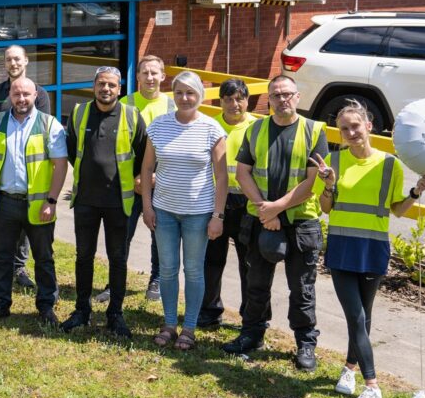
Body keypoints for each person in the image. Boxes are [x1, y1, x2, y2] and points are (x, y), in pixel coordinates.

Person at [314, 99, 425, 398]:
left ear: (369, 126)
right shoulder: (332, 162)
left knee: (363, 317)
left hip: (373, 248)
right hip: (342, 246)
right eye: (344, 129)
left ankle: (349, 369)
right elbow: (325, 208)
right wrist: (329, 185)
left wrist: (416, 192)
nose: (351, 132)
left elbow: (397, 210)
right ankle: (372, 386)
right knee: (355, 316)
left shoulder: (390, 164)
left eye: (355, 126)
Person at [222, 75, 328, 372]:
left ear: (297, 97)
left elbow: (312, 181)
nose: (282, 99)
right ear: (268, 99)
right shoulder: (255, 129)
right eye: (276, 95)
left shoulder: (314, 130)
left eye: (287, 94)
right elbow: (243, 173)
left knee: (302, 288)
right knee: (256, 283)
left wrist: (276, 209)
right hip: (261, 220)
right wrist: (263, 209)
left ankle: (305, 343)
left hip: (300, 223)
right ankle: (252, 334)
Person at [140, 71, 227, 351]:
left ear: (199, 95)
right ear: (173, 94)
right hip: (164, 210)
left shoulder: (212, 129)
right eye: (179, 92)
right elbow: (146, 168)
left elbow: (222, 177)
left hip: (198, 214)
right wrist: (147, 206)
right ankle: (168, 324)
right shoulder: (159, 125)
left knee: (193, 270)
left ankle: (189, 328)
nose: (185, 98)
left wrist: (217, 216)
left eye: (190, 93)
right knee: (167, 270)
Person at [62, 66, 146, 337]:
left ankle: (115, 314)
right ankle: (82, 311)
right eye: (101, 84)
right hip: (86, 200)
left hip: (118, 202)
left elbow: (143, 154)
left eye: (111, 85)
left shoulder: (132, 116)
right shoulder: (79, 113)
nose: (106, 89)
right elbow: (72, 149)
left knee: (117, 258)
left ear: (119, 89)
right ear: (94, 86)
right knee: (83, 256)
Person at [0, 78, 68, 324]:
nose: (22, 99)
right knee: (3, 255)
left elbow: (60, 165)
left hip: (39, 204)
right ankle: (1, 303)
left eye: (26, 94)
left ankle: (46, 306)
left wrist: (52, 200)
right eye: (17, 94)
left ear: (36, 95)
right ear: (10, 95)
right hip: (5, 202)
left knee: (44, 257)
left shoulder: (49, 124)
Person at [0, 45, 50, 289]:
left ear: (26, 60)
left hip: (27, 171)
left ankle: (19, 267)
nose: (13, 63)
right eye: (9, 59)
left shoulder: (40, 93)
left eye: (17, 59)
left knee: (25, 220)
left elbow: (41, 126)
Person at [104, 54, 175, 304]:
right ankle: (115, 282)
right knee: (122, 234)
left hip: (161, 182)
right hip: (129, 183)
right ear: (137, 77)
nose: (150, 77)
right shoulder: (125, 103)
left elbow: (175, 147)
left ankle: (156, 279)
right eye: (145, 73)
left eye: (154, 73)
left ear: (163, 76)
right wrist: (135, 177)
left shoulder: (172, 106)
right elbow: (115, 146)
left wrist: (155, 175)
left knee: (160, 235)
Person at [200, 78, 263, 329]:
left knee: (249, 263)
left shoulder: (258, 127)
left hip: (248, 203)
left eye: (239, 99)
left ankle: (250, 314)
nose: (234, 104)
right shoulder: (210, 125)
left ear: (247, 101)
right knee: (212, 260)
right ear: (220, 101)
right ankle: (210, 310)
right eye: (228, 99)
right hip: (217, 201)